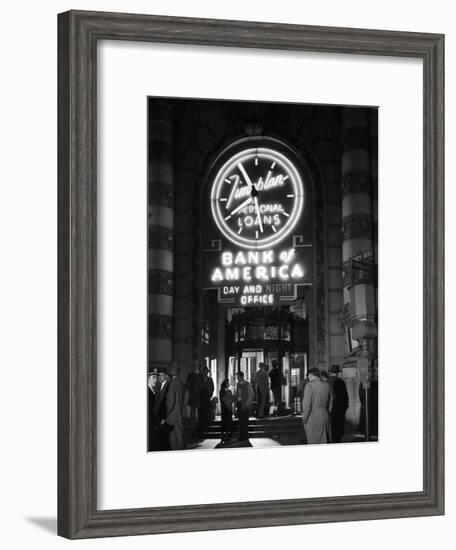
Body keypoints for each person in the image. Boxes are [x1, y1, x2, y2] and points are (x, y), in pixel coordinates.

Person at [302, 367, 332, 444]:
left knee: (314, 441)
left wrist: (304, 418)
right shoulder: (326, 384)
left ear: (311, 374)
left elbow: (306, 405)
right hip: (324, 414)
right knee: (325, 439)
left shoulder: (309, 386)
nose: (308, 377)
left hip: (313, 416)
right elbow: (330, 400)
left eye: (308, 375)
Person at [166, 363, 186, 450]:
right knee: (178, 434)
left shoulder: (172, 383)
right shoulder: (180, 382)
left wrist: (166, 413)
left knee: (174, 438)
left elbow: (170, 401)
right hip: (178, 411)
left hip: (172, 414)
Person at [328, 365, 349, 443]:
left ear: (330, 372)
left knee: (332, 426)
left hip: (332, 407)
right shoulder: (342, 382)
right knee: (339, 426)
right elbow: (346, 397)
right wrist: (345, 407)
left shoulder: (328, 381)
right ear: (338, 373)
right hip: (340, 408)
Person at [153, 368, 171, 451]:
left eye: (162, 375)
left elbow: (167, 403)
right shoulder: (159, 385)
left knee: (164, 438)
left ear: (166, 376)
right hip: (158, 415)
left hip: (163, 417)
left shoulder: (168, 385)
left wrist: (164, 417)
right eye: (159, 375)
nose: (160, 377)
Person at [235, 371, 254, 441]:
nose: (237, 378)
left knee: (245, 421)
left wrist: (247, 403)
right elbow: (237, 394)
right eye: (237, 377)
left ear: (241, 377)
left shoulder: (247, 384)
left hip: (245, 404)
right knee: (240, 421)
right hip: (239, 403)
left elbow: (251, 394)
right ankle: (241, 436)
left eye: (238, 377)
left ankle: (245, 436)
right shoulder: (238, 384)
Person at [198, 366, 214, 435]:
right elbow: (198, 387)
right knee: (201, 413)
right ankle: (202, 427)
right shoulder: (200, 379)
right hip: (201, 398)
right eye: (205, 371)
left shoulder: (210, 379)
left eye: (207, 372)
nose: (206, 373)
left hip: (207, 398)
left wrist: (210, 394)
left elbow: (212, 388)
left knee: (207, 412)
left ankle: (207, 426)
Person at [147, 368, 161, 451]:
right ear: (148, 379)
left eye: (156, 378)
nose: (155, 380)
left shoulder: (153, 391)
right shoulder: (147, 392)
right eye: (153, 377)